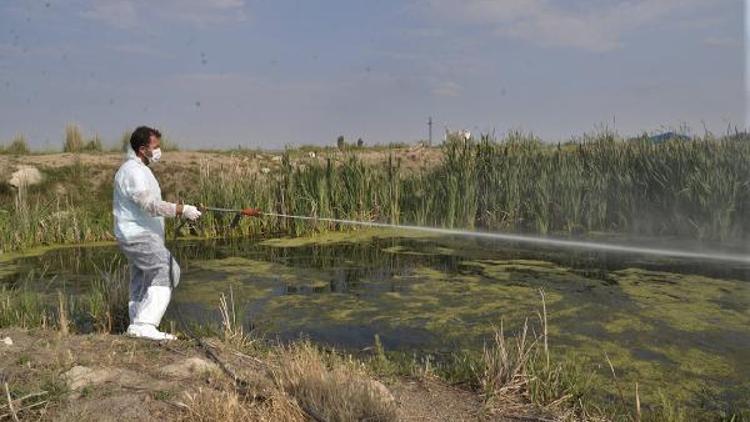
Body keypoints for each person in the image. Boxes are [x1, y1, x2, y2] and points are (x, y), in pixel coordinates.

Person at [113, 126, 201, 341]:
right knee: (168, 270)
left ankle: (136, 322)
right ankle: (145, 324)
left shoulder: (141, 168)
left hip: (142, 234)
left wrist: (183, 209)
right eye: (156, 147)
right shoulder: (132, 171)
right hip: (137, 235)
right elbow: (149, 205)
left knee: (143, 279)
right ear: (143, 149)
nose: (159, 151)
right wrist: (181, 210)